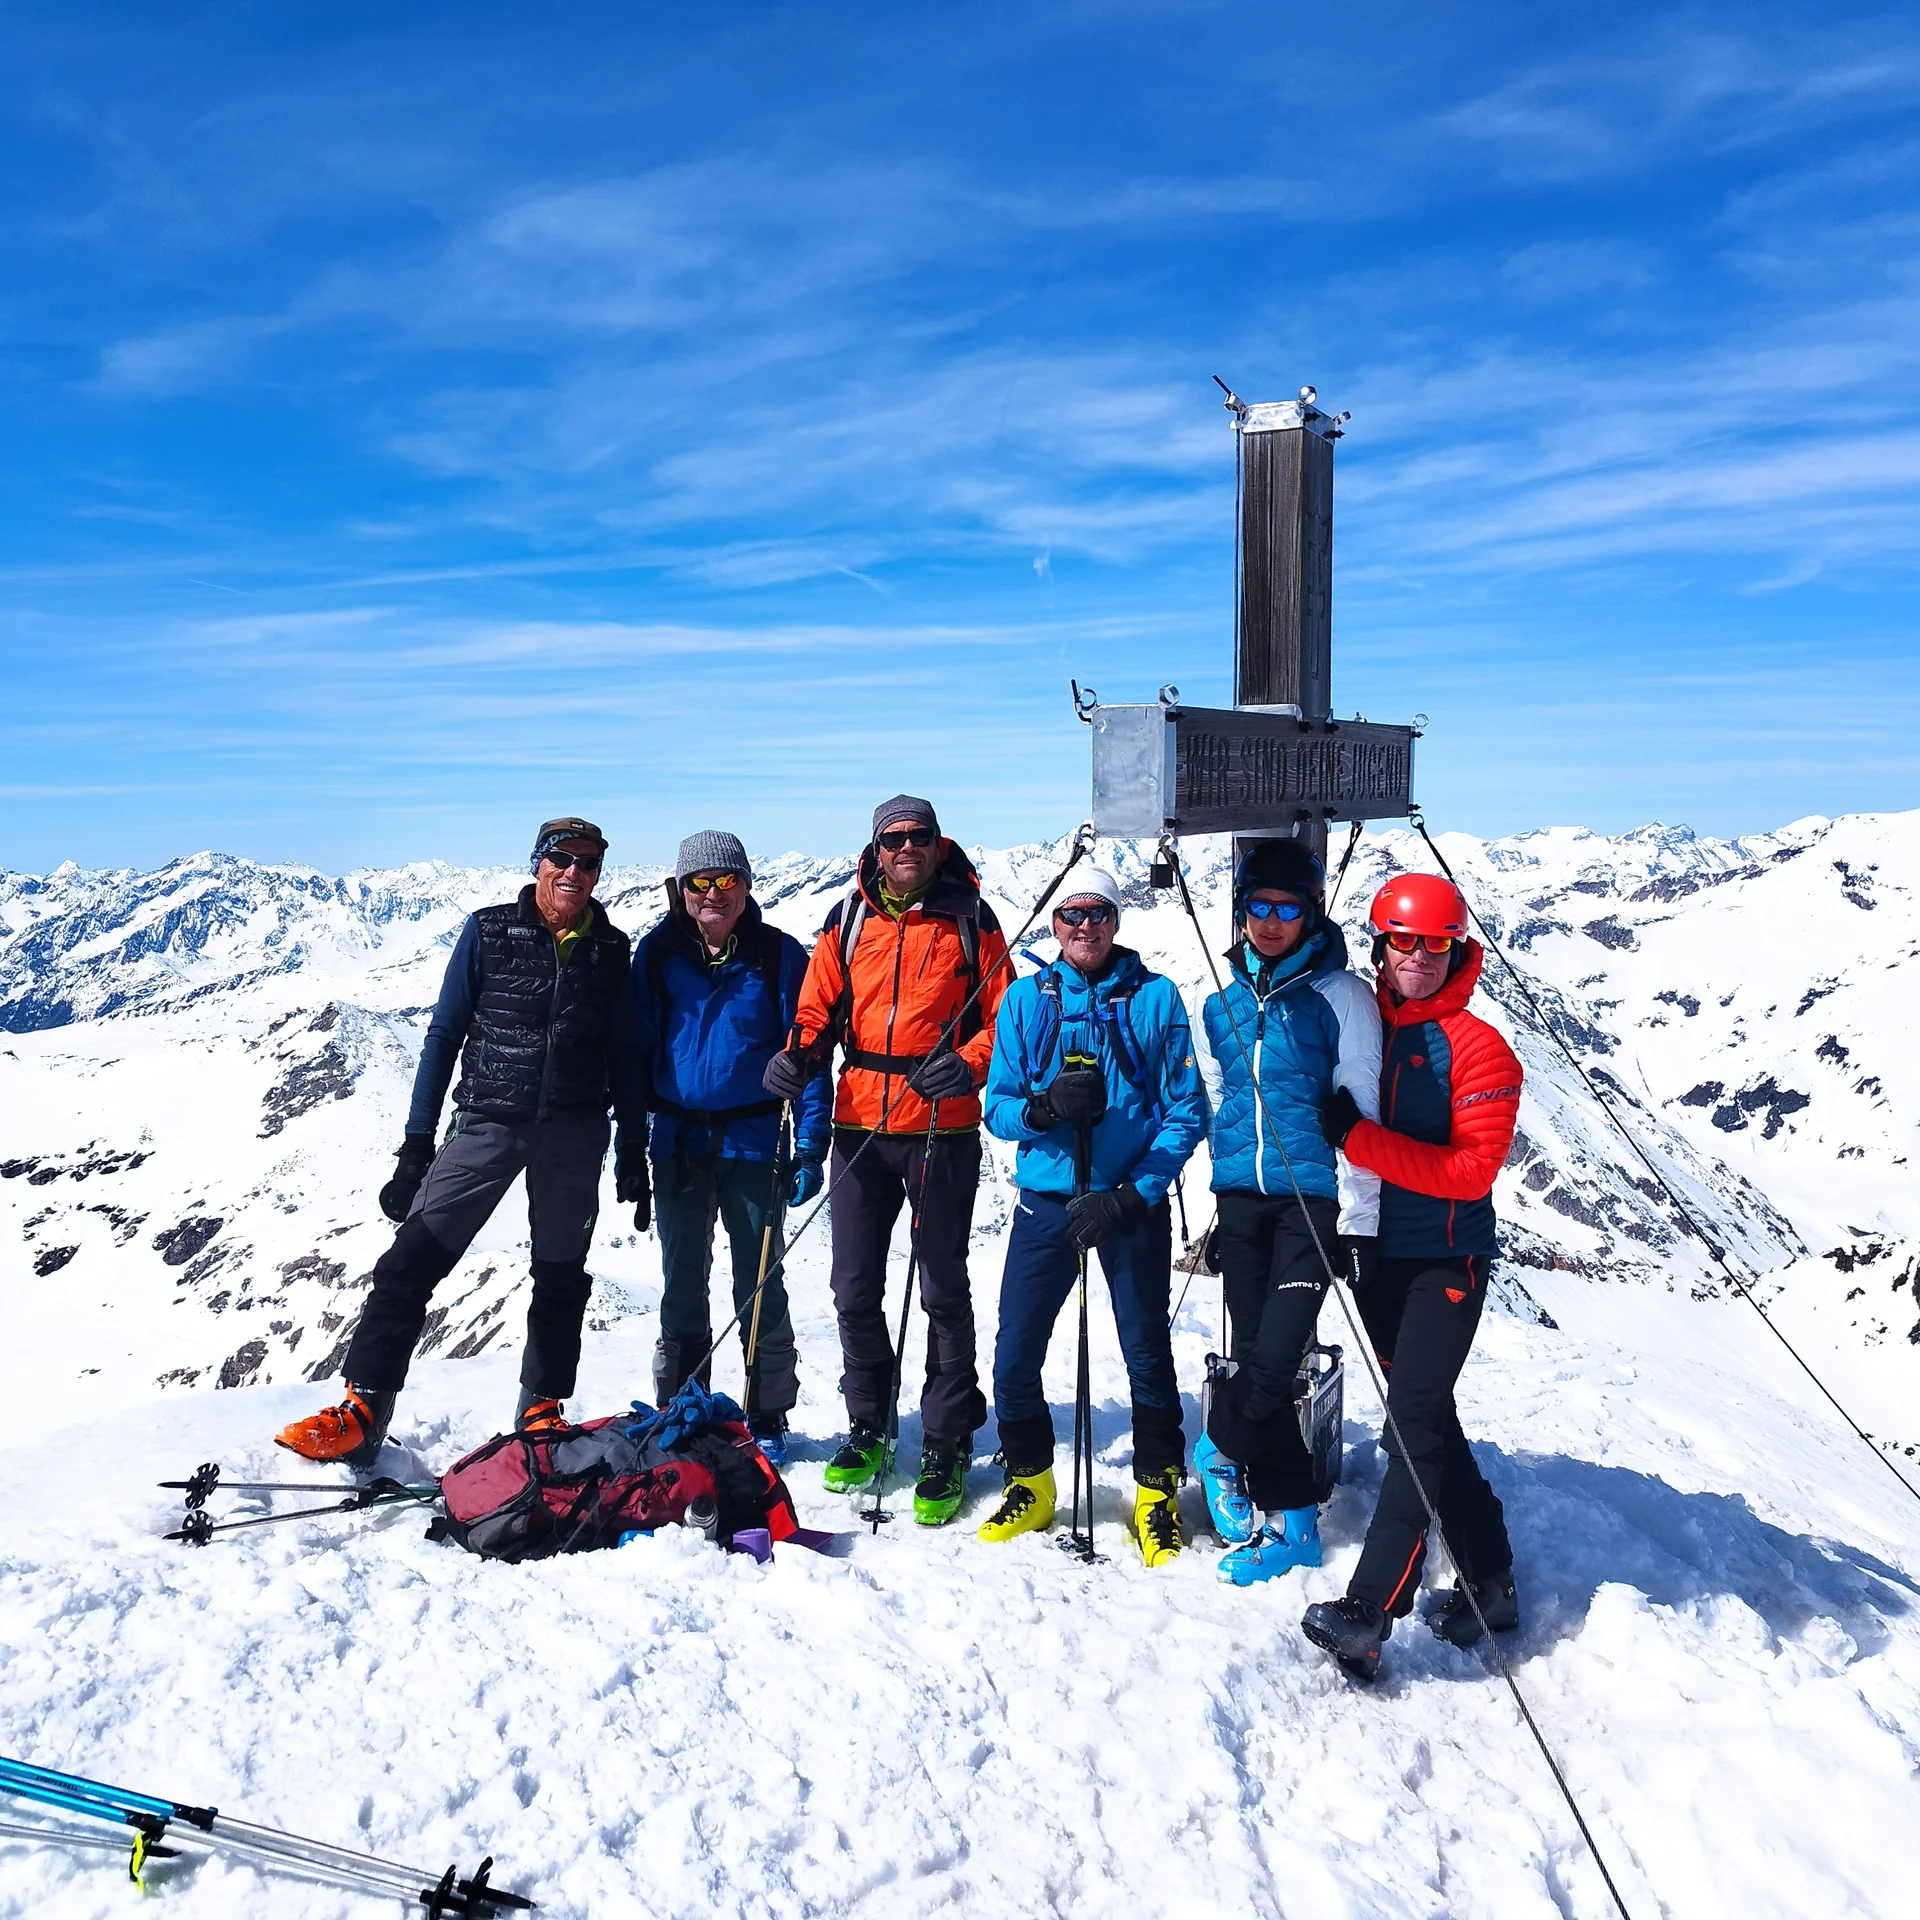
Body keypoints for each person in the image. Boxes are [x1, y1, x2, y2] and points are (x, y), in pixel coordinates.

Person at [277, 818, 646, 1465]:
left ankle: (540, 1411)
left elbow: (628, 1056)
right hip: (488, 1122)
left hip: (573, 1132)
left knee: (560, 1279)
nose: (574, 873)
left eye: (588, 864)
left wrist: (633, 1149)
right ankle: (364, 1407)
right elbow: (443, 1035)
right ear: (538, 862)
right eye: (562, 858)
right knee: (409, 1261)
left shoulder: (612, 951)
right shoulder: (488, 932)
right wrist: (416, 1146)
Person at [763, 795, 1008, 1525]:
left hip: (944, 1122)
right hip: (858, 1121)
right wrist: (798, 1058)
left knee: (940, 1285)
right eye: (893, 838)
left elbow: (1005, 1017)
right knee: (853, 1286)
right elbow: (817, 1010)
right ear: (876, 846)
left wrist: (967, 1065)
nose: (907, 847)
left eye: (918, 837)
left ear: (937, 843)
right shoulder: (848, 921)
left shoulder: (972, 919)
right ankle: (868, 1423)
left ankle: (946, 1435)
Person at [1302, 872, 1523, 1681]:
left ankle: (1370, 1609)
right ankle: (1490, 1579)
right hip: (1374, 1257)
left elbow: (1471, 1172)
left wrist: (1358, 1141)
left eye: (1436, 943)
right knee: (1425, 1420)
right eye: (1404, 941)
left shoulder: (1480, 1047)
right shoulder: (1359, 1021)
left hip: (1448, 1260)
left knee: (1414, 1420)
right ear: (1380, 945)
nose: (1419, 958)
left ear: (1457, 948)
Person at [977, 867, 1207, 1564]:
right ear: (1054, 924)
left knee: (1145, 1351)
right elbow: (999, 1107)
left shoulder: (1157, 999)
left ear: (1116, 920)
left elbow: (1186, 1110)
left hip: (1127, 1202)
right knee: (1015, 1351)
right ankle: (1031, 1482)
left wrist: (1131, 1195)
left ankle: (1155, 1494)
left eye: (1097, 914)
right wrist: (1046, 1108)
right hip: (1048, 1198)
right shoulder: (1025, 1002)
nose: (1084, 927)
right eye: (1071, 915)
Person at [1191, 839, 1382, 1585]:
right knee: (1250, 1360)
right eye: (1259, 909)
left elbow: (1361, 1110)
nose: (1271, 923)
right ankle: (1276, 1504)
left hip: (1309, 1203)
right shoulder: (1219, 1001)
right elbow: (1219, 1097)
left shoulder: (1342, 997)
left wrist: (1359, 1226)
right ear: (1241, 915)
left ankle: (1231, 1458)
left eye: (1287, 909)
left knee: (1274, 1364)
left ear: (1310, 916)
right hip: (1240, 1200)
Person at [626, 830, 831, 1468]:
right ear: (680, 890)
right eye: (699, 882)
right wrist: (630, 1142)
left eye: (726, 880)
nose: (712, 893)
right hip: (679, 1141)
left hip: (754, 1140)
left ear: (746, 887)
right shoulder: (656, 955)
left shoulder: (777, 955)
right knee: (681, 1284)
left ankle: (767, 1411)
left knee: (759, 1280)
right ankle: (679, 1407)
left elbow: (810, 1051)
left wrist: (809, 1142)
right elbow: (633, 1052)